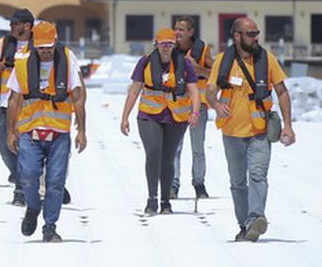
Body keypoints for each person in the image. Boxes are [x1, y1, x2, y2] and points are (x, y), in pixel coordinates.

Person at [205, 17, 296, 242]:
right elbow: (209, 90)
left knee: (257, 175)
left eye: (257, 33)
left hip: (259, 131)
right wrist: (216, 105)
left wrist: (288, 126)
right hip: (232, 132)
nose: (256, 37)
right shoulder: (223, 61)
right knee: (237, 182)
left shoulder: (267, 59)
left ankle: (256, 217)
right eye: (251, 34)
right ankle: (245, 225)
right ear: (237, 36)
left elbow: (282, 92)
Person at [5, 21, 86, 243]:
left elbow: (77, 95)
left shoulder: (68, 59)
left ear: (56, 41)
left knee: (56, 181)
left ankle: (50, 226)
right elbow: (13, 100)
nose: (46, 51)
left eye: (49, 46)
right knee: (28, 175)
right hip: (30, 132)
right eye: (41, 47)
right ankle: (32, 208)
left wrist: (82, 130)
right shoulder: (22, 61)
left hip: (58, 133)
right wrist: (10, 132)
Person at [121, 28, 201, 215]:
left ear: (175, 45)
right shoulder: (145, 63)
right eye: (162, 44)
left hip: (176, 116)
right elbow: (134, 90)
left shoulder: (184, 64)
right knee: (154, 152)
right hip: (150, 115)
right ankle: (152, 198)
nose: (166, 48)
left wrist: (195, 112)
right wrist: (125, 117)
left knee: (168, 157)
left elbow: (194, 90)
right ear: (156, 44)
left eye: (170, 44)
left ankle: (166, 200)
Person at [0, 8, 33, 206]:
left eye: (15, 24)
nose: (11, 27)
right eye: (10, 24)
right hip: (7, 104)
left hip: (31, 105)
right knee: (4, 145)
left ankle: (22, 189)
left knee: (28, 148)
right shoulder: (5, 43)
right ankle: (21, 176)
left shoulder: (38, 44)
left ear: (27, 26)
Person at [171, 16, 213, 199]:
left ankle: (199, 183)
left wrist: (198, 69)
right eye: (176, 28)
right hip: (176, 104)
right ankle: (173, 184)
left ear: (191, 32)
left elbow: (215, 75)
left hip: (199, 105)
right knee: (175, 147)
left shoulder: (203, 50)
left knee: (198, 147)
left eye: (181, 29)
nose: (177, 32)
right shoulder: (169, 49)